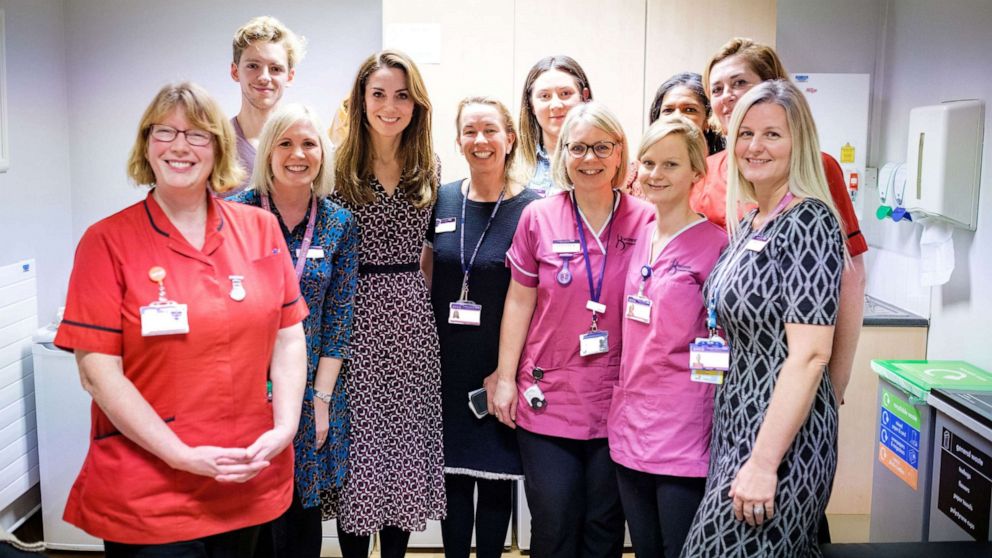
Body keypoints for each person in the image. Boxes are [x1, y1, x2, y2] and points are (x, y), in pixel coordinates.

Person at [53, 82, 308, 557]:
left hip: (244, 470)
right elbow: (97, 372)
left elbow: (289, 337)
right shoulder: (107, 241)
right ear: (146, 144)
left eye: (197, 135)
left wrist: (285, 427)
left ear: (219, 148)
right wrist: (179, 455)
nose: (179, 146)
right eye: (165, 132)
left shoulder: (260, 229)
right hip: (150, 484)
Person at [680, 80, 848, 557]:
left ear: (800, 143)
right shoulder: (754, 219)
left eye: (772, 134)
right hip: (739, 425)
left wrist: (764, 462)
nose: (755, 147)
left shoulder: (809, 221)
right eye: (745, 134)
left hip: (781, 442)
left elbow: (811, 354)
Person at [491, 101, 653, 558]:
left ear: (620, 154)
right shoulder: (539, 216)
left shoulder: (647, 220)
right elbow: (519, 299)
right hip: (549, 397)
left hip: (619, 399)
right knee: (554, 524)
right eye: (578, 147)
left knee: (603, 528)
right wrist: (505, 379)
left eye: (602, 147)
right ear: (562, 154)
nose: (589, 159)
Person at [700, 36, 866, 417]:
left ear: (773, 85)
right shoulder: (707, 171)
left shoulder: (816, 169)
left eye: (740, 83)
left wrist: (833, 386)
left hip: (784, 370)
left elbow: (850, 278)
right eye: (718, 89)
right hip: (719, 375)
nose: (728, 96)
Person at [329, 50, 443, 558]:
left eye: (401, 95)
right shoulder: (337, 164)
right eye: (378, 94)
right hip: (355, 314)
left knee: (403, 454)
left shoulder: (429, 165)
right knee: (360, 453)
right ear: (361, 100)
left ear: (416, 104)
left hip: (411, 318)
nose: (390, 106)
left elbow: (430, 252)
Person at [231, 104, 358, 558]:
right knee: (249, 517)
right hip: (245, 389)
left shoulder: (339, 223)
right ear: (267, 152)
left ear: (323, 154)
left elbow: (339, 319)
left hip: (309, 392)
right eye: (285, 143)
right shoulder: (234, 216)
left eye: (308, 143)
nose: (297, 154)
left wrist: (321, 401)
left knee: (301, 516)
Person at [608, 116, 728, 558]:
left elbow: (726, 340)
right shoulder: (636, 236)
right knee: (643, 549)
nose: (656, 175)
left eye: (671, 165)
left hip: (684, 428)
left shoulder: (715, 246)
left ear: (697, 172)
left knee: (681, 549)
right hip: (630, 422)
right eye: (649, 163)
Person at [425, 97, 539, 558]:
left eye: (490, 131)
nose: (480, 141)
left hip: (501, 365)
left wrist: (511, 373)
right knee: (453, 481)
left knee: (496, 480)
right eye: (469, 131)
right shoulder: (443, 199)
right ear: (458, 140)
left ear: (509, 139)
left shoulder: (532, 208)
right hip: (447, 363)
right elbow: (429, 273)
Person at [222, 15, 306, 197]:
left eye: (275, 68)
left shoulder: (310, 147)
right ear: (235, 72)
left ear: (290, 76)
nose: (264, 77)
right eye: (253, 66)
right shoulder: (216, 145)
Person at [625, 72, 722, 197]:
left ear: (708, 120)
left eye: (689, 110)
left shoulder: (724, 173)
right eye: (668, 110)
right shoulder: (635, 175)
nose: (677, 117)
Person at [516, 55, 592, 197]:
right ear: (531, 104)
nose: (556, 105)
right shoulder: (511, 166)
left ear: (584, 96)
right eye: (545, 96)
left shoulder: (602, 161)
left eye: (565, 93)